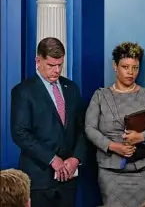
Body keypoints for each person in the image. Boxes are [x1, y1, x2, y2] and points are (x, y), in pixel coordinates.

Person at [10, 37, 86, 207]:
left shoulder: (72, 88)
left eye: (60, 65)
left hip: (68, 179)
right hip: (39, 179)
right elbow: (20, 133)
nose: (57, 70)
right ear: (38, 61)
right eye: (51, 65)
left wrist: (76, 158)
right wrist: (52, 159)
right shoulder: (23, 91)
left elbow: (82, 128)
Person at [85, 42, 145, 207]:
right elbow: (90, 129)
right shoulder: (100, 96)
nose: (130, 72)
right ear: (115, 66)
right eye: (125, 67)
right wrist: (114, 146)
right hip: (111, 171)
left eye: (135, 67)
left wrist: (141, 137)